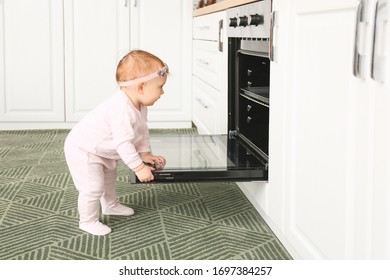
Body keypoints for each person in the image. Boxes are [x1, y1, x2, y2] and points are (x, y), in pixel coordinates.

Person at [64, 50, 167, 236]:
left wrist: (144, 153)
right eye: (160, 86)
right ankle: (87, 221)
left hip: (103, 150)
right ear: (141, 87)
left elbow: (142, 130)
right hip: (84, 149)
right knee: (92, 187)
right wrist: (138, 167)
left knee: (108, 181)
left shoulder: (140, 105)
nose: (163, 92)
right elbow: (123, 144)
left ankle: (110, 205)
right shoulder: (121, 109)